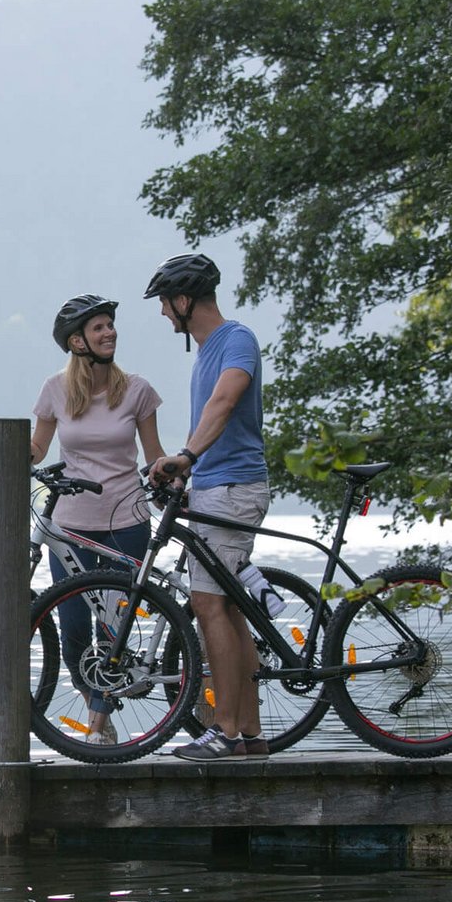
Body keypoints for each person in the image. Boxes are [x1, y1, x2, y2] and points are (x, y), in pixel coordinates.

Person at [142, 252, 272, 761]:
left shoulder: (235, 340)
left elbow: (225, 403)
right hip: (217, 484)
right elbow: (209, 424)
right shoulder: (205, 352)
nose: (161, 315)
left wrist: (187, 457)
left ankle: (224, 731)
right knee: (228, 608)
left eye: (163, 304)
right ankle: (251, 734)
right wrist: (185, 470)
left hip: (234, 488)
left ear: (183, 299)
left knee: (208, 605)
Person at [31, 294, 166, 741]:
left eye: (111, 325)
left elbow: (154, 455)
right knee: (71, 628)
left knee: (112, 629)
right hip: (70, 525)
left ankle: (98, 726)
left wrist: (172, 480)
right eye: (99, 327)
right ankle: (95, 700)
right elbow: (38, 448)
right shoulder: (54, 390)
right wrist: (6, 456)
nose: (110, 332)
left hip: (126, 521)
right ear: (77, 341)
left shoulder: (138, 390)